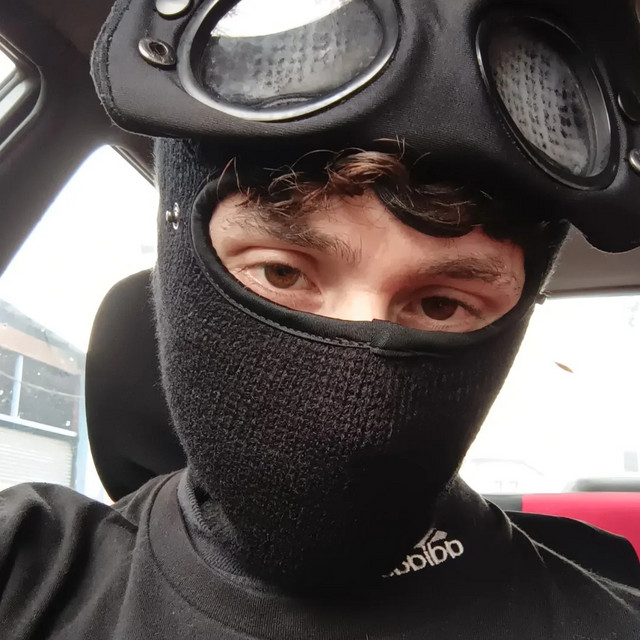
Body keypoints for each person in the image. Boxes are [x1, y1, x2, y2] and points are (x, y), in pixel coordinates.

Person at [2, 0, 640, 638]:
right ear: (179, 267)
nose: (355, 403)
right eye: (281, 273)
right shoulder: (25, 568)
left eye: (441, 304)